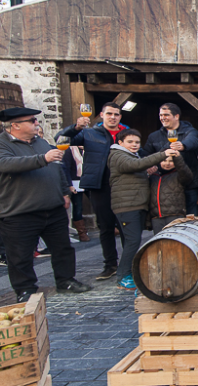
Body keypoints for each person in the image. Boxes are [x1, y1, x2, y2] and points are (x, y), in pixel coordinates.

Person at [0, 107, 92, 302]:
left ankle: (66, 280)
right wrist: (43, 159)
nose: (36, 123)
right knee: (20, 256)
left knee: (63, 248)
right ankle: (25, 290)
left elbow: (56, 168)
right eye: (32, 120)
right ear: (15, 125)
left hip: (52, 208)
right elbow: (5, 164)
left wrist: (64, 191)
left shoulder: (40, 142)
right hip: (18, 212)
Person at [56, 102, 128, 280]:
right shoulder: (89, 133)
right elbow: (61, 138)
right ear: (102, 115)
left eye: (116, 114)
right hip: (99, 184)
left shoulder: (126, 134)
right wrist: (75, 127)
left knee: (126, 226)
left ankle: (130, 264)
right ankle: (110, 264)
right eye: (109, 113)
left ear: (120, 117)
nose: (113, 117)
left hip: (123, 184)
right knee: (105, 226)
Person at [108, 128, 179, 290]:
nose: (134, 145)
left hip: (136, 203)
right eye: (130, 142)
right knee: (132, 241)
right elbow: (134, 165)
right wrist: (162, 154)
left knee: (132, 240)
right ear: (120, 143)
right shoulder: (118, 155)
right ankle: (122, 276)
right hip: (127, 205)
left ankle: (130, 272)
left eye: (137, 142)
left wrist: (146, 173)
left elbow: (134, 172)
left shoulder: (131, 155)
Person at [143, 103, 198, 216]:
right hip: (166, 186)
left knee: (192, 218)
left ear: (176, 116)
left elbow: (193, 141)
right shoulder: (153, 136)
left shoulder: (190, 131)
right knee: (171, 219)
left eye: (166, 114)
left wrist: (183, 145)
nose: (162, 118)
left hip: (189, 185)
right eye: (161, 115)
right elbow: (146, 155)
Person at [149, 154, 193, 233]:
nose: (167, 164)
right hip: (156, 217)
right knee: (159, 242)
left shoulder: (178, 175)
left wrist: (178, 157)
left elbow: (186, 175)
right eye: (164, 160)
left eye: (171, 161)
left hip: (175, 215)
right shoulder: (153, 176)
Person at [61, 146, 89, 242]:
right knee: (78, 208)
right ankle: (82, 233)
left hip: (89, 181)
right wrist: (69, 185)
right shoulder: (70, 150)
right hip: (75, 182)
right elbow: (66, 168)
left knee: (97, 204)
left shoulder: (89, 149)